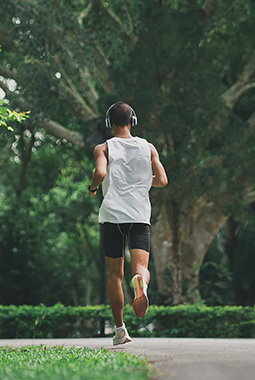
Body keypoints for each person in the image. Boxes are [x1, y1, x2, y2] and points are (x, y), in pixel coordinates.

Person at [88, 101, 168, 346]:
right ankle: (140, 281)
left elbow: (101, 174)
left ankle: (120, 330)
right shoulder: (148, 147)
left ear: (109, 123)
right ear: (132, 121)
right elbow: (162, 180)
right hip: (139, 215)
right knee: (140, 268)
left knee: (114, 275)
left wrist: (92, 188)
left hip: (113, 216)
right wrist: (141, 182)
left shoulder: (103, 147)